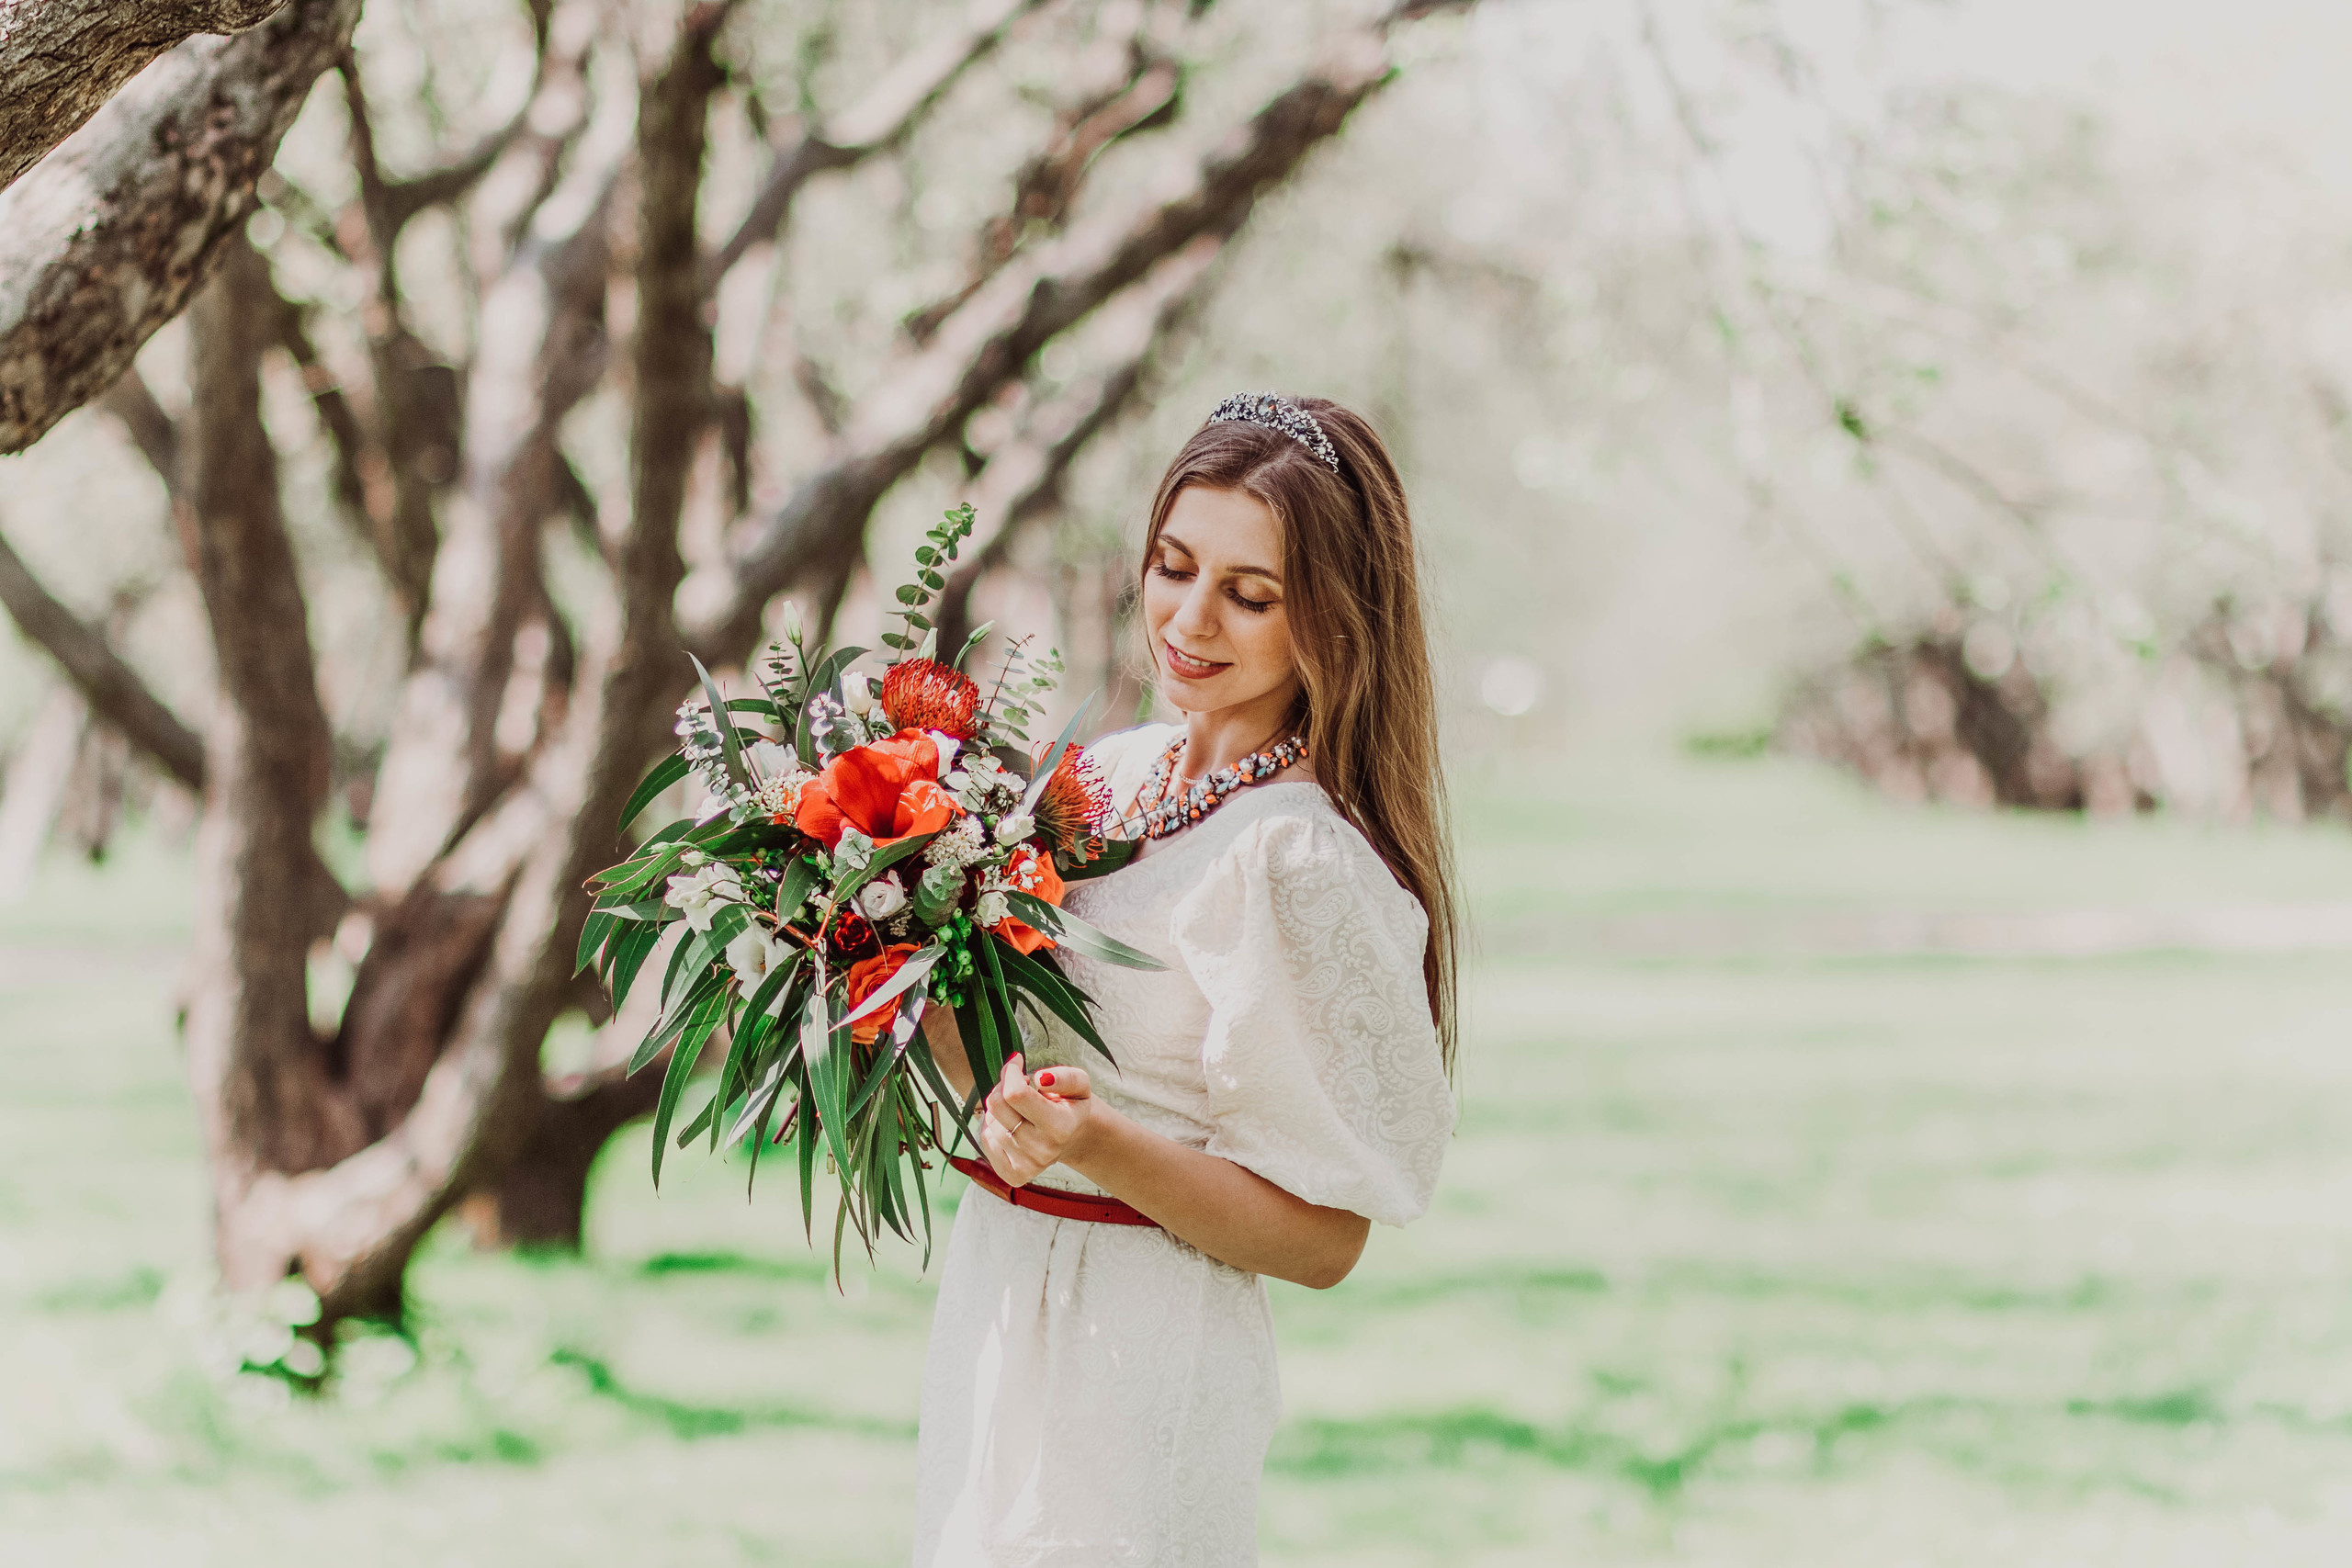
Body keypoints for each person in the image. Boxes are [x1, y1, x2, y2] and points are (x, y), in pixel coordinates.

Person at [911, 392, 1461, 1566]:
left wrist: (1096, 1142)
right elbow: (1010, 1058)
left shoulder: (1299, 858)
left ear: (1333, 620)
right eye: (1172, 566)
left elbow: (1326, 1240)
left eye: (1250, 595)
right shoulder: (1102, 779)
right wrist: (864, 958)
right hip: (1003, 1308)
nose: (1190, 619)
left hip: (1145, 1353)